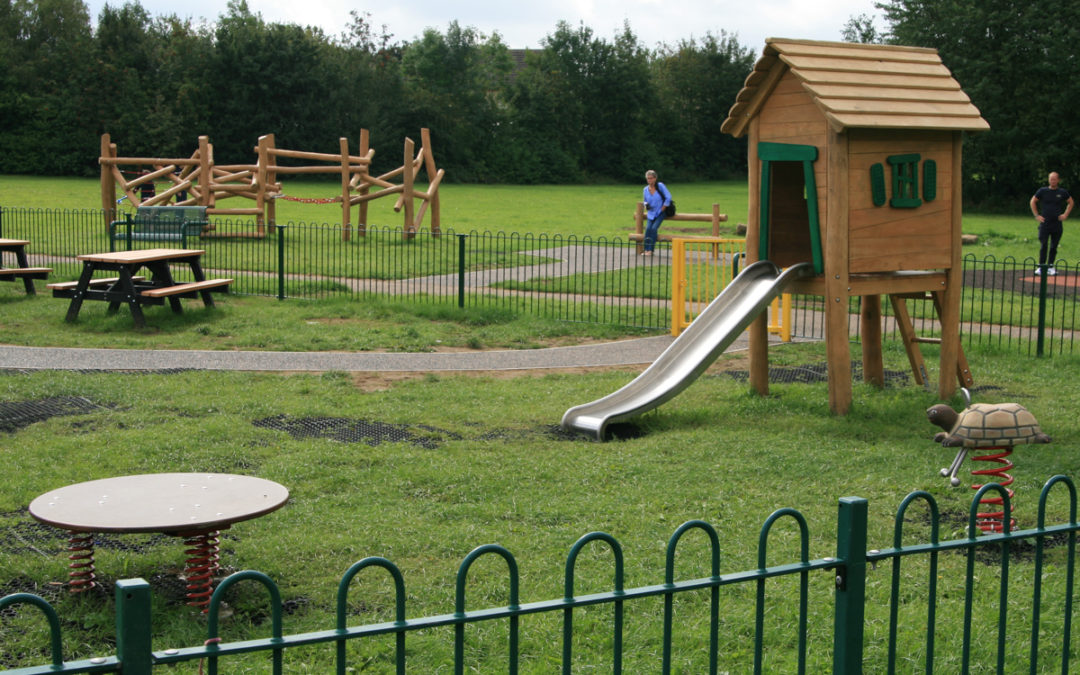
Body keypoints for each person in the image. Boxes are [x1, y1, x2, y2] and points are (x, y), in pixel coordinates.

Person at [1030, 171, 1073, 276]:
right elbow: (1033, 201)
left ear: (1058, 180)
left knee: (1054, 246)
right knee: (1044, 244)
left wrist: (1065, 214)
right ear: (1048, 180)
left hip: (1057, 223)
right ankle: (1041, 266)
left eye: (1054, 179)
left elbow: (1071, 202)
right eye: (1051, 179)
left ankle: (1050, 266)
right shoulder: (1042, 191)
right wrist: (1036, 215)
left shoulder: (1062, 192)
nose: (1052, 181)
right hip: (1045, 223)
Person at [641, 170, 673, 257]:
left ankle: (651, 250)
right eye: (648, 179)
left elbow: (668, 197)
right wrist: (646, 206)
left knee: (654, 228)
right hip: (651, 213)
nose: (649, 180)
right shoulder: (645, 189)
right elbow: (645, 201)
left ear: (655, 178)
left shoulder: (660, 186)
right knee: (648, 229)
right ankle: (646, 249)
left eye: (651, 178)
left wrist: (664, 207)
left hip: (661, 212)